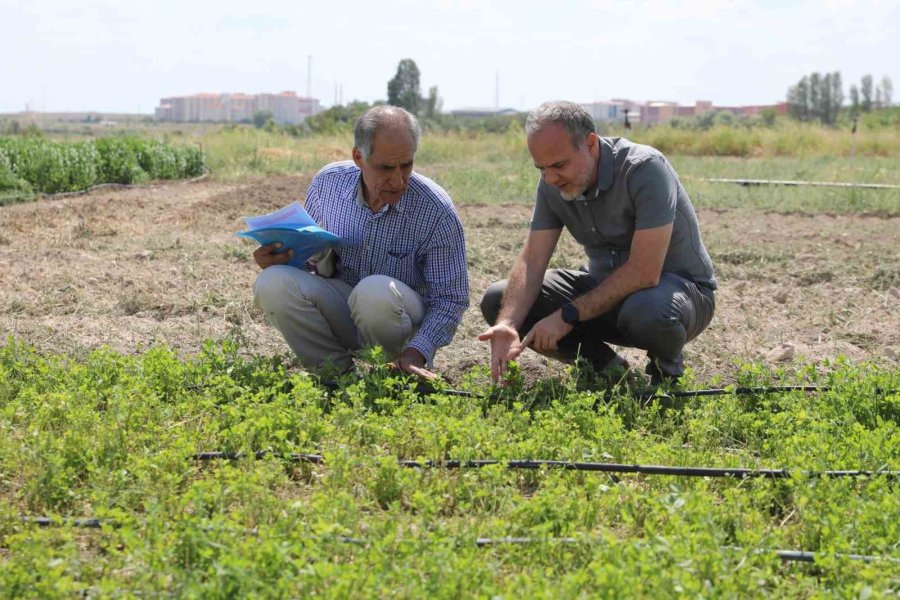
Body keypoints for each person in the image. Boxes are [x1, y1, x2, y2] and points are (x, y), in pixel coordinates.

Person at [479, 101, 716, 385]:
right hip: (606, 294)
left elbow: (645, 272)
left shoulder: (644, 169)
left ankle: (666, 381)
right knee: (499, 299)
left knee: (647, 308)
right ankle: (607, 371)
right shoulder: (552, 184)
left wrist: (567, 314)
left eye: (559, 165)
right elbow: (532, 261)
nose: (551, 178)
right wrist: (507, 323)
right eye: (541, 168)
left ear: (590, 143)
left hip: (676, 296)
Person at [253, 105, 469, 379]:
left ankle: (396, 374)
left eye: (407, 165)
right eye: (386, 167)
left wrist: (418, 350)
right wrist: (280, 260)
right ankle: (336, 376)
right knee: (273, 282)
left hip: (398, 321)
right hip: (344, 307)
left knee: (373, 291)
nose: (399, 180)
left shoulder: (435, 209)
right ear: (358, 157)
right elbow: (313, 261)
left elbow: (450, 299)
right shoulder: (328, 185)